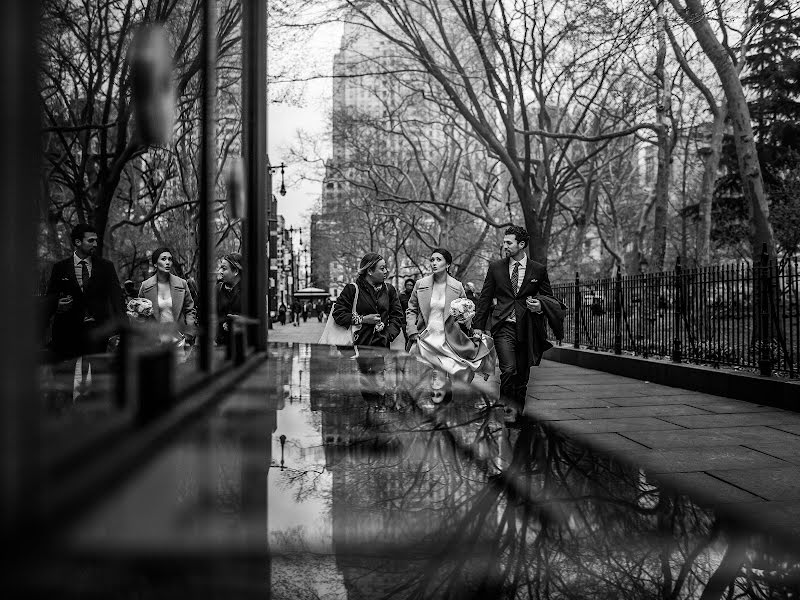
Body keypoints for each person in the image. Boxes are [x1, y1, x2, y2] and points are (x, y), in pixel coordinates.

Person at [473, 226, 557, 414]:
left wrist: (540, 306)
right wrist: (478, 326)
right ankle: (506, 410)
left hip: (528, 328)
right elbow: (485, 298)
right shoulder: (496, 267)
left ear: (522, 244)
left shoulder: (538, 269)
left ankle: (518, 413)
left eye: (508, 242)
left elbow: (549, 298)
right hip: (503, 326)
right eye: (504, 242)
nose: (505, 246)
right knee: (509, 369)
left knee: (522, 375)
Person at [405, 248, 494, 382]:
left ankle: (447, 399)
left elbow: (465, 311)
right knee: (427, 378)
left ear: (447, 265)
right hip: (425, 338)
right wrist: (412, 330)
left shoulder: (457, 286)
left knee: (452, 377)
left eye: (438, 260)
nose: (434, 263)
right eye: (432, 260)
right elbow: (411, 309)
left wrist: (466, 320)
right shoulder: (420, 284)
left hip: (449, 339)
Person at [46, 224, 125, 359]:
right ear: (77, 242)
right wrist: (57, 304)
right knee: (70, 377)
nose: (95, 243)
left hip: (98, 332)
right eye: (90, 240)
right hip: (67, 332)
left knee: (95, 375)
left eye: (96, 240)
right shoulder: (60, 268)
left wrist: (124, 330)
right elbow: (51, 296)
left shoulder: (106, 267)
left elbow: (117, 298)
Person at [332, 252, 404, 351]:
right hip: (354, 349)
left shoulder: (389, 290)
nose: (386, 271)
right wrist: (363, 319)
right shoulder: (352, 289)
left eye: (385, 268)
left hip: (380, 350)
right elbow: (338, 314)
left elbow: (397, 317)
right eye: (382, 268)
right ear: (370, 271)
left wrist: (387, 336)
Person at [138, 247, 197, 347]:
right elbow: (141, 314)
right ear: (155, 264)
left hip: (179, 341)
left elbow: (190, 310)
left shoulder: (182, 283)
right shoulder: (145, 286)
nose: (168, 262)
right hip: (155, 342)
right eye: (163, 259)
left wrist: (189, 334)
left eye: (170, 259)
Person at [215, 252, 242, 345]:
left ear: (235, 271)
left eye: (224, 268)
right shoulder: (217, 290)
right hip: (220, 346)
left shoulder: (249, 292)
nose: (220, 272)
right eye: (220, 268)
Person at [398, 278, 415, 346]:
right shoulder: (401, 296)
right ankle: (407, 354)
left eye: (411, 285)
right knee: (407, 338)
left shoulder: (415, 295)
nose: (409, 287)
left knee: (413, 338)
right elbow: (398, 308)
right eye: (408, 285)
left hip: (414, 320)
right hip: (404, 321)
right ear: (405, 286)